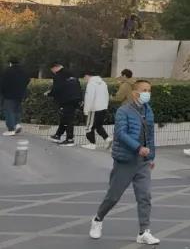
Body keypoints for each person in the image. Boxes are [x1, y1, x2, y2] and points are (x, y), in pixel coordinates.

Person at [89, 79, 159, 245]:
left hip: (142, 162)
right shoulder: (123, 111)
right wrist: (138, 148)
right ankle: (98, 219)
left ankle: (143, 232)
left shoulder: (148, 111)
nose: (147, 93)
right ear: (135, 93)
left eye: (149, 90)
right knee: (113, 196)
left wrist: (151, 157)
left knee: (145, 196)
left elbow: (150, 136)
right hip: (125, 160)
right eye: (144, 90)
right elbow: (121, 134)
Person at [47, 62, 82, 147]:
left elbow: (57, 89)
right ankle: (58, 135)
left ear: (55, 68)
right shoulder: (71, 73)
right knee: (65, 118)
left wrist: (49, 94)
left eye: (52, 70)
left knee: (68, 119)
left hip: (66, 100)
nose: (53, 72)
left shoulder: (59, 75)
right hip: (76, 99)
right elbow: (78, 86)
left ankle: (70, 139)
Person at [1, 58, 30, 135]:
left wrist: (3, 92)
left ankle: (11, 129)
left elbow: (2, 83)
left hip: (9, 95)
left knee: (9, 111)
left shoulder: (7, 71)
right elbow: (28, 80)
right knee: (17, 110)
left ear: (10, 63)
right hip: (20, 95)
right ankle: (17, 124)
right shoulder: (23, 71)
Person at [83, 71, 111, 150]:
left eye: (84, 77)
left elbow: (89, 98)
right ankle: (108, 139)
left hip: (93, 108)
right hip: (103, 107)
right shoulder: (103, 83)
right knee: (98, 126)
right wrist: (105, 106)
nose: (85, 79)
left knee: (89, 127)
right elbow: (107, 95)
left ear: (87, 75)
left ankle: (92, 144)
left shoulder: (91, 83)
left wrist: (86, 110)